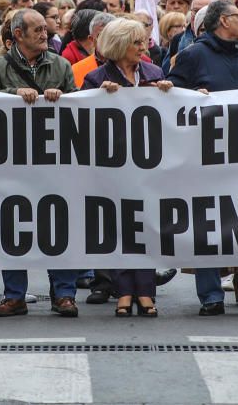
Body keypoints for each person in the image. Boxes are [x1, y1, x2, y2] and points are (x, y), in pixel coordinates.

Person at [167, 0, 238, 317]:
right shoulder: (193, 55)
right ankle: (211, 295)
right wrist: (188, 96)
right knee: (208, 227)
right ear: (221, 22)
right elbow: (170, 94)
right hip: (207, 159)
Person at [0, 8, 80, 317]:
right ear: (18, 34)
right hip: (12, 162)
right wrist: (12, 94)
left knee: (58, 225)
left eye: (45, 29)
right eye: (37, 29)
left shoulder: (61, 65)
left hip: (54, 162)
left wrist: (61, 96)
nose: (45, 33)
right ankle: (14, 295)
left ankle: (64, 294)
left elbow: (78, 108)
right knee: (13, 228)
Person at [82, 19, 172, 317]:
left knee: (145, 227)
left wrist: (168, 93)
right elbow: (81, 123)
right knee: (118, 229)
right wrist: (98, 98)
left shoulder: (155, 73)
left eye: (143, 41)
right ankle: (123, 291)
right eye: (136, 42)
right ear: (119, 46)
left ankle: (145, 291)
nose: (143, 46)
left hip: (148, 166)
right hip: (112, 167)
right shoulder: (96, 79)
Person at [162, 0, 214, 74]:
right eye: (196, 11)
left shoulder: (225, 39)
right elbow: (167, 72)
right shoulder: (178, 39)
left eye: (204, 11)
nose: (199, 15)